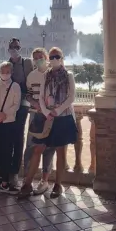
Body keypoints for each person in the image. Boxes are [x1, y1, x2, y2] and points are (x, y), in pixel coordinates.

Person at [38, 47, 77, 199]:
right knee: (43, 149)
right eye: (52, 56)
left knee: (61, 152)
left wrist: (58, 110)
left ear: (62, 58)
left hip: (63, 116)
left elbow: (71, 97)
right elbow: (41, 96)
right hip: (49, 117)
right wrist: (47, 112)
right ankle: (44, 179)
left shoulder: (69, 75)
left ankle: (58, 184)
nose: (54, 59)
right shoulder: (45, 76)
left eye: (57, 56)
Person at [17, 48, 57, 197]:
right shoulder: (31, 76)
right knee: (30, 146)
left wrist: (47, 109)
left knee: (49, 148)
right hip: (35, 115)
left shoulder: (54, 74)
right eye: (35, 58)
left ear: (46, 57)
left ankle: (44, 179)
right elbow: (28, 95)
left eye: (41, 57)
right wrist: (35, 104)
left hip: (50, 116)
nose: (38, 60)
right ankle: (27, 179)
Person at [0, 62, 23, 193]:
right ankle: (1, 177)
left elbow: (16, 105)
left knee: (8, 150)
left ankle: (6, 180)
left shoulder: (16, 87)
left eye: (8, 71)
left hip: (9, 122)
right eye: (3, 71)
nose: (5, 74)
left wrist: (4, 115)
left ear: (12, 73)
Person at [4, 38, 34, 190]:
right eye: (11, 47)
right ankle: (6, 171)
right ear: (8, 49)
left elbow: (35, 78)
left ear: (20, 48)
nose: (14, 49)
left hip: (23, 104)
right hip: (9, 105)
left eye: (16, 47)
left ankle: (14, 172)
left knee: (18, 136)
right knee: (8, 137)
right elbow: (0, 80)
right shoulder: (6, 64)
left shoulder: (27, 63)